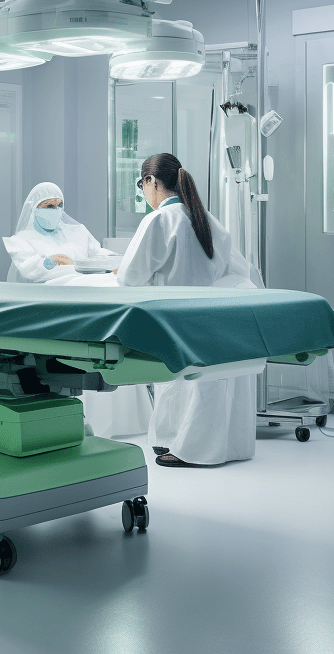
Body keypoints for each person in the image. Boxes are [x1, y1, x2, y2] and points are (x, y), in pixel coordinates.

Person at [119, 152, 262, 468]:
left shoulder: (159, 220)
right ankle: (171, 439)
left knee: (178, 382)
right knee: (188, 385)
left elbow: (129, 277)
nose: (143, 193)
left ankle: (190, 448)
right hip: (207, 314)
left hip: (172, 316)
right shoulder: (206, 219)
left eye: (142, 185)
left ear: (152, 182)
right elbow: (230, 268)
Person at [3, 182, 114, 283]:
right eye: (49, 206)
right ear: (34, 208)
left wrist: (116, 261)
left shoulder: (78, 232)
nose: (56, 210)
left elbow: (97, 254)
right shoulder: (21, 240)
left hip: (84, 288)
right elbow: (30, 271)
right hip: (46, 296)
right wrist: (51, 261)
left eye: (60, 205)